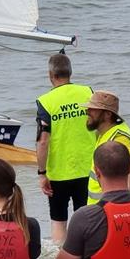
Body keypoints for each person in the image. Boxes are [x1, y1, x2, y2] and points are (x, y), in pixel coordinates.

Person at [36, 53, 95, 243]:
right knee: (86, 219)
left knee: (59, 220)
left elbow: (43, 141)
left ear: (50, 75)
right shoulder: (88, 92)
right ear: (70, 73)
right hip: (88, 169)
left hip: (58, 173)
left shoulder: (46, 101)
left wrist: (42, 173)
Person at [82, 90, 130, 204]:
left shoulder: (119, 137)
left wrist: (117, 203)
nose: (87, 111)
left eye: (93, 109)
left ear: (107, 114)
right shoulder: (103, 133)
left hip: (112, 213)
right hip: (102, 212)